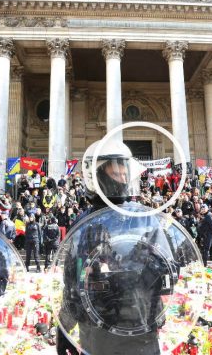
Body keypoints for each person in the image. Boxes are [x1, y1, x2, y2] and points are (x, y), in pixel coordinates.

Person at [57, 140, 161, 355]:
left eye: (125, 172)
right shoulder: (84, 223)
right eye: (116, 172)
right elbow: (73, 281)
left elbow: (163, 268)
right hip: (98, 323)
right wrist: (64, 327)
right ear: (97, 175)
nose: (123, 179)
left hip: (140, 322)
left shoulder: (143, 218)